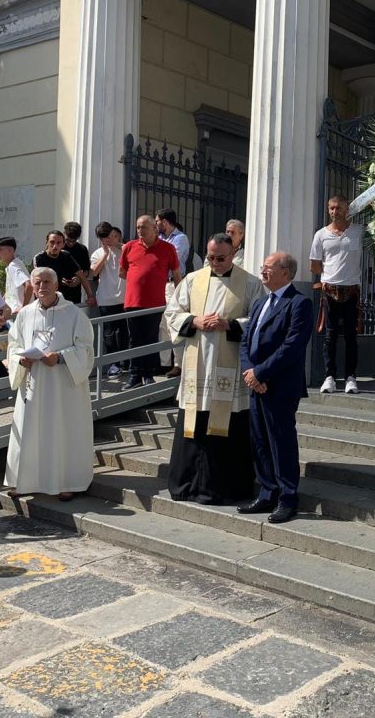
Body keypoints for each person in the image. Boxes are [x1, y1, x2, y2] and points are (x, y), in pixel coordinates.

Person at [165, 233, 263, 504]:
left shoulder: (251, 283)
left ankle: (224, 489)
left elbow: (258, 321)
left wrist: (229, 324)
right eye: (211, 257)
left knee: (228, 430)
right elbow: (172, 313)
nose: (215, 262)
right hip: (197, 366)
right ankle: (187, 485)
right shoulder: (193, 280)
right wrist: (195, 321)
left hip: (229, 369)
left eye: (221, 258)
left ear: (233, 254)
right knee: (193, 425)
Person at [4, 268, 95, 501]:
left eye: (46, 282)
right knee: (29, 430)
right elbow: (13, 345)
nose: (41, 286)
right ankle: (24, 480)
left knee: (63, 429)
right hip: (33, 382)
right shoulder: (25, 314)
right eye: (37, 283)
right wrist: (19, 359)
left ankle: (67, 481)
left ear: (56, 285)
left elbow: (86, 348)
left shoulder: (74, 313)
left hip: (63, 385)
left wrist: (61, 356)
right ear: (32, 287)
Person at [239, 252, 312, 524]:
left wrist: (261, 372)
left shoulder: (299, 303)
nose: (263, 271)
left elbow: (292, 347)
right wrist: (250, 373)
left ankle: (288, 497)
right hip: (256, 384)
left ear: (285, 272)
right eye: (263, 267)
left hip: (280, 385)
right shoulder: (260, 303)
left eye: (268, 268)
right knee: (259, 440)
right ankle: (267, 492)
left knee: (281, 442)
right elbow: (247, 340)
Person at [310, 194, 365, 395]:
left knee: (351, 335)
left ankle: (350, 377)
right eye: (331, 208)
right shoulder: (321, 235)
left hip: (351, 289)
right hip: (330, 290)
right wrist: (330, 275)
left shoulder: (358, 232)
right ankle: (329, 377)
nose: (335, 212)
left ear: (347, 209)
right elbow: (315, 264)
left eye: (338, 208)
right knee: (330, 335)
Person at [119, 215, 181, 387]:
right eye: (138, 227)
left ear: (155, 229)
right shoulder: (130, 247)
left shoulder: (168, 249)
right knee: (135, 340)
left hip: (155, 304)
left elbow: (176, 275)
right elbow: (122, 272)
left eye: (144, 227)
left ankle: (148, 374)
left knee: (151, 338)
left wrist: (181, 298)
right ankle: (134, 376)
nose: (140, 231)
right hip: (133, 303)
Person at [157, 208, 191, 375]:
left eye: (157, 221)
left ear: (164, 222)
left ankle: (178, 363)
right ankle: (164, 363)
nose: (156, 225)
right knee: (162, 324)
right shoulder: (160, 239)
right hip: (161, 284)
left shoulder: (181, 238)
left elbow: (171, 260)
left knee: (174, 322)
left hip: (174, 284)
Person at [91, 222, 127, 377]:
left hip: (125, 297)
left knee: (125, 331)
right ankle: (114, 363)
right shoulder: (97, 253)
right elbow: (94, 272)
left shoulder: (125, 249)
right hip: (106, 299)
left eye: (112, 236)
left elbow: (135, 256)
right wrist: (105, 254)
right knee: (109, 334)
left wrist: (118, 245)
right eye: (105, 238)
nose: (109, 239)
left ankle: (125, 361)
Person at [34, 230, 95, 307]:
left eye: (58, 243)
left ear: (63, 244)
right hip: (47, 302)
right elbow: (38, 282)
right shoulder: (39, 258)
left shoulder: (66, 255)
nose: (55, 246)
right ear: (47, 243)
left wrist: (90, 296)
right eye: (52, 242)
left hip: (67, 300)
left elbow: (81, 276)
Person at [0, 237, 32, 317]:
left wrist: (23, 309)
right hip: (14, 313)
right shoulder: (13, 265)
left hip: (18, 314)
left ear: (10, 250)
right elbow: (11, 290)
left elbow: (29, 286)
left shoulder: (13, 266)